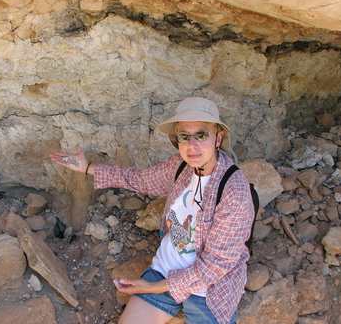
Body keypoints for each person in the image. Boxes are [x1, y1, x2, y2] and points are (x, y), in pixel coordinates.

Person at [50, 97, 254, 324]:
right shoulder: (181, 165)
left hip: (208, 289)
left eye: (201, 135)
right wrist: (87, 168)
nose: (192, 145)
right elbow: (140, 180)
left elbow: (214, 266)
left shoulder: (233, 191)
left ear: (218, 137)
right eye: (185, 136)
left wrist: (154, 287)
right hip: (166, 269)